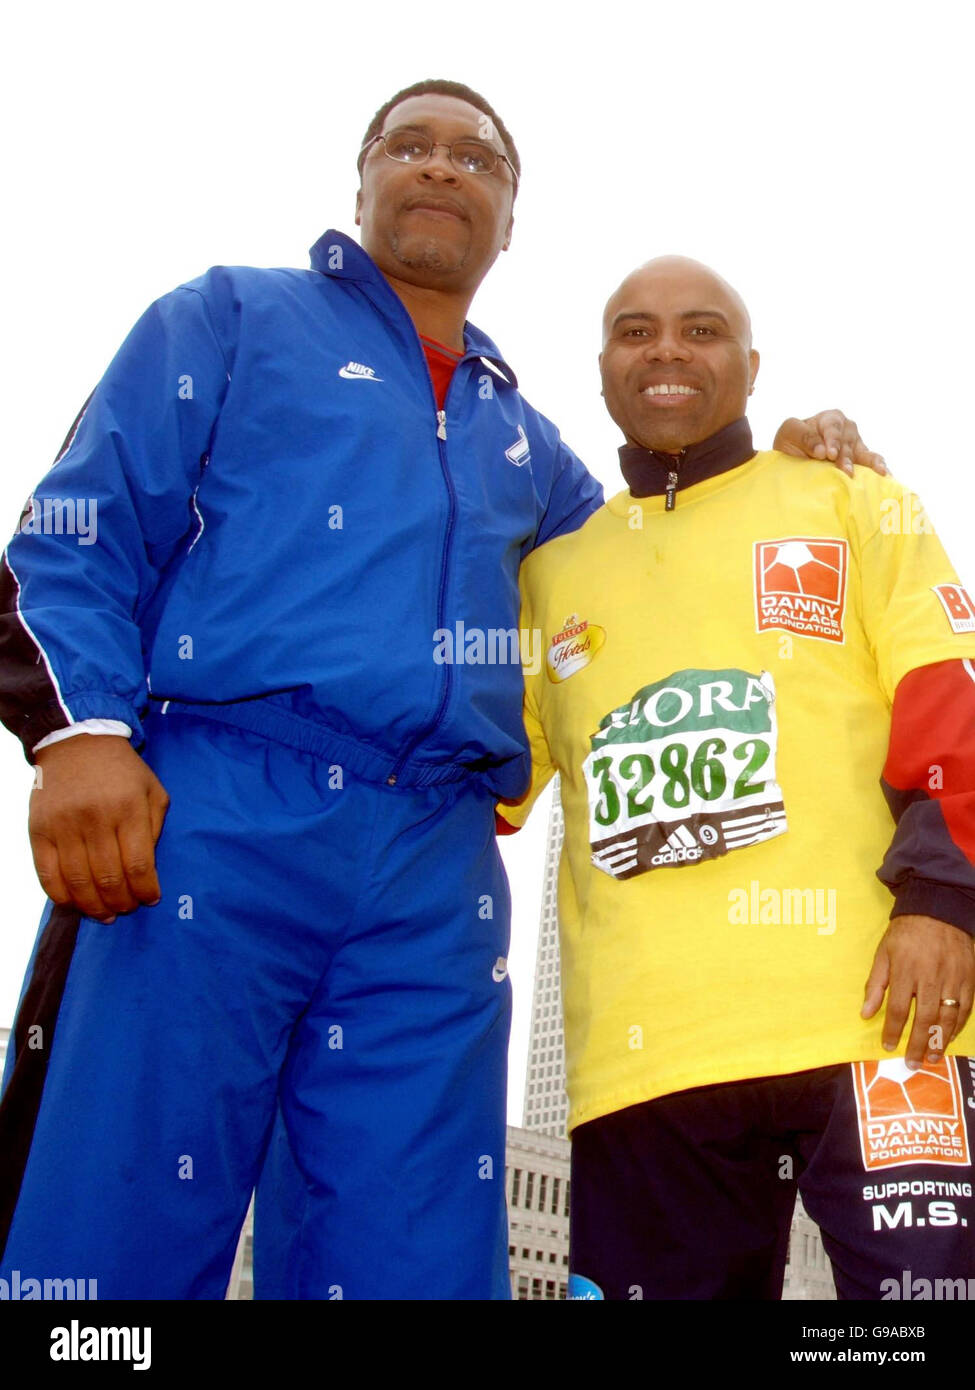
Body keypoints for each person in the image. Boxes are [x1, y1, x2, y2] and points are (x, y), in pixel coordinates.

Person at [0, 78, 878, 1301]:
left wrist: (778, 464)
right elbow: (66, 540)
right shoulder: (228, 318)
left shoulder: (533, 447)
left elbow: (653, 564)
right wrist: (78, 735)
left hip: (435, 867)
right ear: (361, 183)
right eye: (410, 145)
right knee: (118, 1227)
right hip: (209, 814)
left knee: (414, 1254)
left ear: (509, 220)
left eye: (479, 157)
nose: (442, 167)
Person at [497, 255, 975, 1301]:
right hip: (643, 1064)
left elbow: (951, 705)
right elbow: (486, 783)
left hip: (875, 1020)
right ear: (602, 367)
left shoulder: (853, 499)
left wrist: (945, 902)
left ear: (751, 365)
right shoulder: (549, 574)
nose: (666, 348)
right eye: (636, 330)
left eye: (701, 328)